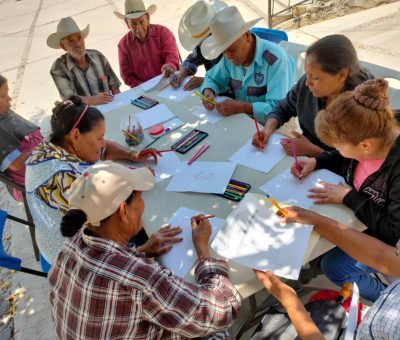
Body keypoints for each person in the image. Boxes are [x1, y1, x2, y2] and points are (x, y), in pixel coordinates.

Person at [49, 161, 241, 339]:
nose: (143, 205)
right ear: (123, 210)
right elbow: (221, 312)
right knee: (221, 332)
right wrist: (202, 248)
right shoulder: (140, 279)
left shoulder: (69, 247)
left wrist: (140, 251)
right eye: (139, 198)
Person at [290, 78, 399, 302]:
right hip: (361, 218)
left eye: (338, 146)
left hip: (389, 242)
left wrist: (349, 197)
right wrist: (318, 161)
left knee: (335, 266)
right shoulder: (372, 132)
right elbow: (344, 155)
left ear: (365, 146)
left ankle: (385, 301)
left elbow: (392, 232)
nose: (336, 149)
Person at [25, 96, 160, 268]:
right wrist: (142, 251)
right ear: (75, 135)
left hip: (84, 229)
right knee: (139, 227)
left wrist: (131, 155)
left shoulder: (59, 142)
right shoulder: (65, 179)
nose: (103, 143)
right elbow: (104, 230)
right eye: (99, 138)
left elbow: (103, 149)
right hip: (69, 257)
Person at [254, 206, 400, 340]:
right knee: (334, 266)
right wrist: (318, 222)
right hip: (380, 311)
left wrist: (292, 303)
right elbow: (382, 256)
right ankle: (379, 296)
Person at [252, 34, 374, 157]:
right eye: (307, 74)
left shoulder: (362, 107)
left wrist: (313, 151)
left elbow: (359, 164)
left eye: (314, 77)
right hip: (305, 158)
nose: (307, 82)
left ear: (342, 75)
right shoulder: (308, 85)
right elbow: (283, 108)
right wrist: (267, 130)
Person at [199, 6, 295, 125]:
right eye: (223, 51)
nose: (228, 57)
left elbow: (278, 109)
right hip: (243, 121)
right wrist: (208, 90)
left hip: (274, 126)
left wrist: (241, 107)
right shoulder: (228, 58)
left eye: (232, 50)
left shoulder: (275, 59)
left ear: (247, 36)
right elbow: (212, 78)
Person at [48, 17, 121, 105]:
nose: (78, 44)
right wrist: (93, 100)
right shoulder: (58, 68)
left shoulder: (98, 56)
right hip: (84, 115)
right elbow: (69, 98)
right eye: (71, 40)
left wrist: (120, 104)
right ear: (63, 46)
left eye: (79, 38)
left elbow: (115, 87)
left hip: (109, 106)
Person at [114, 0, 180, 88]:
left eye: (141, 22)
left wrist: (169, 65)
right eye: (133, 24)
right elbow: (126, 75)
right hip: (143, 90)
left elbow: (172, 55)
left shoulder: (163, 32)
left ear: (148, 18)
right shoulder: (123, 45)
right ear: (127, 23)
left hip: (169, 82)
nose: (138, 29)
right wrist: (144, 87)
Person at [0, 74, 43, 201]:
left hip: (43, 166)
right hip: (31, 183)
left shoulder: (4, 112)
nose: (9, 99)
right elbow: (19, 164)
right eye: (3, 96)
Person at [170, 0, 228, 91]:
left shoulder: (230, 44)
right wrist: (182, 73)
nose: (200, 45)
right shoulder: (203, 44)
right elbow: (193, 58)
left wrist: (205, 81)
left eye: (202, 40)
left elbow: (234, 83)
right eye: (198, 41)